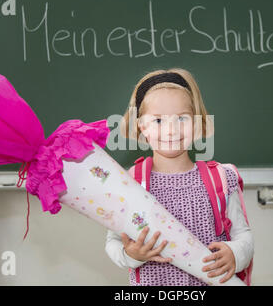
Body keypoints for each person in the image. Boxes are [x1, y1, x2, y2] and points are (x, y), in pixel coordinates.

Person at [105, 68, 254, 285]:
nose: (171, 130)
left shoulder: (220, 179)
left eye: (182, 118)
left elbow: (244, 237)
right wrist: (131, 255)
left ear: (196, 122)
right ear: (142, 126)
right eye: (158, 121)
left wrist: (234, 254)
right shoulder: (130, 183)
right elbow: (113, 242)